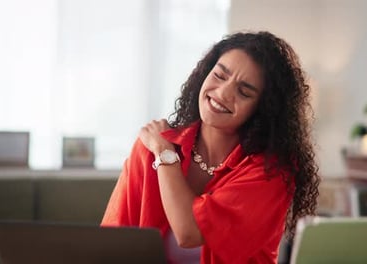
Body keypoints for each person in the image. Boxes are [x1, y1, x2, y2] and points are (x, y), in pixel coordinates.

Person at [101, 31, 320, 264]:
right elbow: (113, 241)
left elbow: (189, 233)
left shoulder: (272, 172)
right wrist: (162, 150)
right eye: (219, 75)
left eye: (244, 92)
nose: (223, 93)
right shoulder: (151, 148)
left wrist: (166, 157)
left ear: (263, 110)